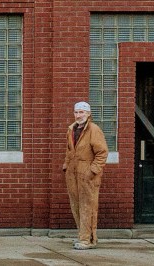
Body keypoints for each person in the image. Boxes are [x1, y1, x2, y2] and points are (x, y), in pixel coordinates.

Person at [63, 100, 108, 250]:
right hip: (73, 174)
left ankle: (87, 240)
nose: (78, 115)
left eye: (81, 112)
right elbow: (70, 151)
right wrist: (66, 166)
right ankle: (83, 236)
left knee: (87, 206)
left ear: (88, 114)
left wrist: (92, 171)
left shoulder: (94, 130)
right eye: (76, 112)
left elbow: (102, 153)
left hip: (87, 174)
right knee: (76, 206)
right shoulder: (72, 129)